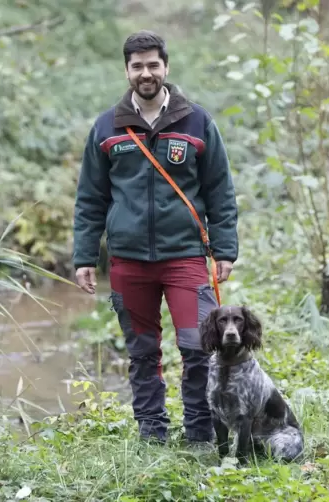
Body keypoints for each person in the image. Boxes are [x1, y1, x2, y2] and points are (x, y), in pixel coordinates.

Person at [71, 30, 239, 446]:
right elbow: (90, 197)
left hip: (184, 256)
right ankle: (153, 434)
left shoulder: (197, 122)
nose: (146, 73)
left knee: (198, 346)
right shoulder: (106, 127)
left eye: (153, 65)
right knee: (143, 352)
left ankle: (200, 434)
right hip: (127, 261)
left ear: (165, 67)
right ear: (127, 70)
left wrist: (225, 249)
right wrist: (84, 256)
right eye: (137, 66)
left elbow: (220, 190)